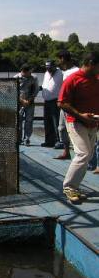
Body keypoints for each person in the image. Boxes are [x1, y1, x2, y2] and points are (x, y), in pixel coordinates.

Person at [58, 52, 99, 203]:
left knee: (87, 155)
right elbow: (62, 103)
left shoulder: (96, 79)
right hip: (76, 122)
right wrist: (81, 116)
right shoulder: (72, 79)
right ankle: (69, 186)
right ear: (91, 64)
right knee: (83, 153)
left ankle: (75, 187)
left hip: (93, 123)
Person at [54, 50, 79, 159]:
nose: (58, 61)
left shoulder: (76, 71)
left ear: (63, 59)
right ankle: (66, 152)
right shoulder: (64, 71)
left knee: (75, 129)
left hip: (72, 106)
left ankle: (80, 154)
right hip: (63, 106)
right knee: (62, 128)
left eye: (59, 58)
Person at [14, 64, 39, 146]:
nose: (28, 74)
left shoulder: (34, 78)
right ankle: (18, 139)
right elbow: (12, 91)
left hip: (30, 103)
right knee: (18, 121)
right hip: (19, 103)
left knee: (29, 121)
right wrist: (21, 100)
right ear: (22, 71)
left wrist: (29, 100)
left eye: (29, 72)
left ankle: (27, 138)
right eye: (26, 73)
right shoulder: (16, 78)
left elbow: (36, 90)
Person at [40, 60, 63, 147]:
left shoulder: (60, 73)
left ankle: (58, 141)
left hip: (55, 101)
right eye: (46, 67)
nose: (48, 69)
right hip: (46, 101)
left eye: (49, 67)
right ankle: (49, 141)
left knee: (56, 122)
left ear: (54, 66)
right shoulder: (46, 73)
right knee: (47, 122)